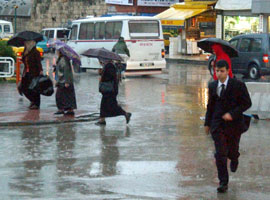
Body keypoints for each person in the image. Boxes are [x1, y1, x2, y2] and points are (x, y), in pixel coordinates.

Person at [204, 60, 252, 193]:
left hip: (234, 125)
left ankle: (235, 157)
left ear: (228, 71)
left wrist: (232, 113)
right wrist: (207, 123)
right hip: (217, 124)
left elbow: (247, 103)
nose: (219, 74)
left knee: (232, 150)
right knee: (220, 154)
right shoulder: (213, 86)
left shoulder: (238, 85)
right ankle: (223, 182)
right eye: (217, 71)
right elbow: (210, 106)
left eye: (222, 71)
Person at [95, 61, 132, 126]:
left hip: (110, 90)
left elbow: (109, 77)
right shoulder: (108, 66)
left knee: (112, 105)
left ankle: (126, 114)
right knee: (103, 105)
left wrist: (102, 75)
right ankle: (102, 120)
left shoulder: (110, 66)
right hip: (109, 90)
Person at [21, 40, 43, 109]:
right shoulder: (26, 51)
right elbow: (24, 61)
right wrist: (24, 55)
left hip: (34, 73)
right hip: (26, 72)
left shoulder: (35, 52)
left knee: (34, 88)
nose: (25, 44)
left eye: (26, 43)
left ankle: (36, 103)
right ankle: (32, 100)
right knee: (24, 87)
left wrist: (41, 70)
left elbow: (38, 62)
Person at [54, 49, 77, 115]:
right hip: (62, 80)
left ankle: (66, 109)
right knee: (64, 96)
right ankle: (66, 109)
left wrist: (67, 81)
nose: (57, 52)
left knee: (61, 95)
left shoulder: (63, 60)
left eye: (58, 51)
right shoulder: (61, 59)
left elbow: (66, 71)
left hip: (64, 81)